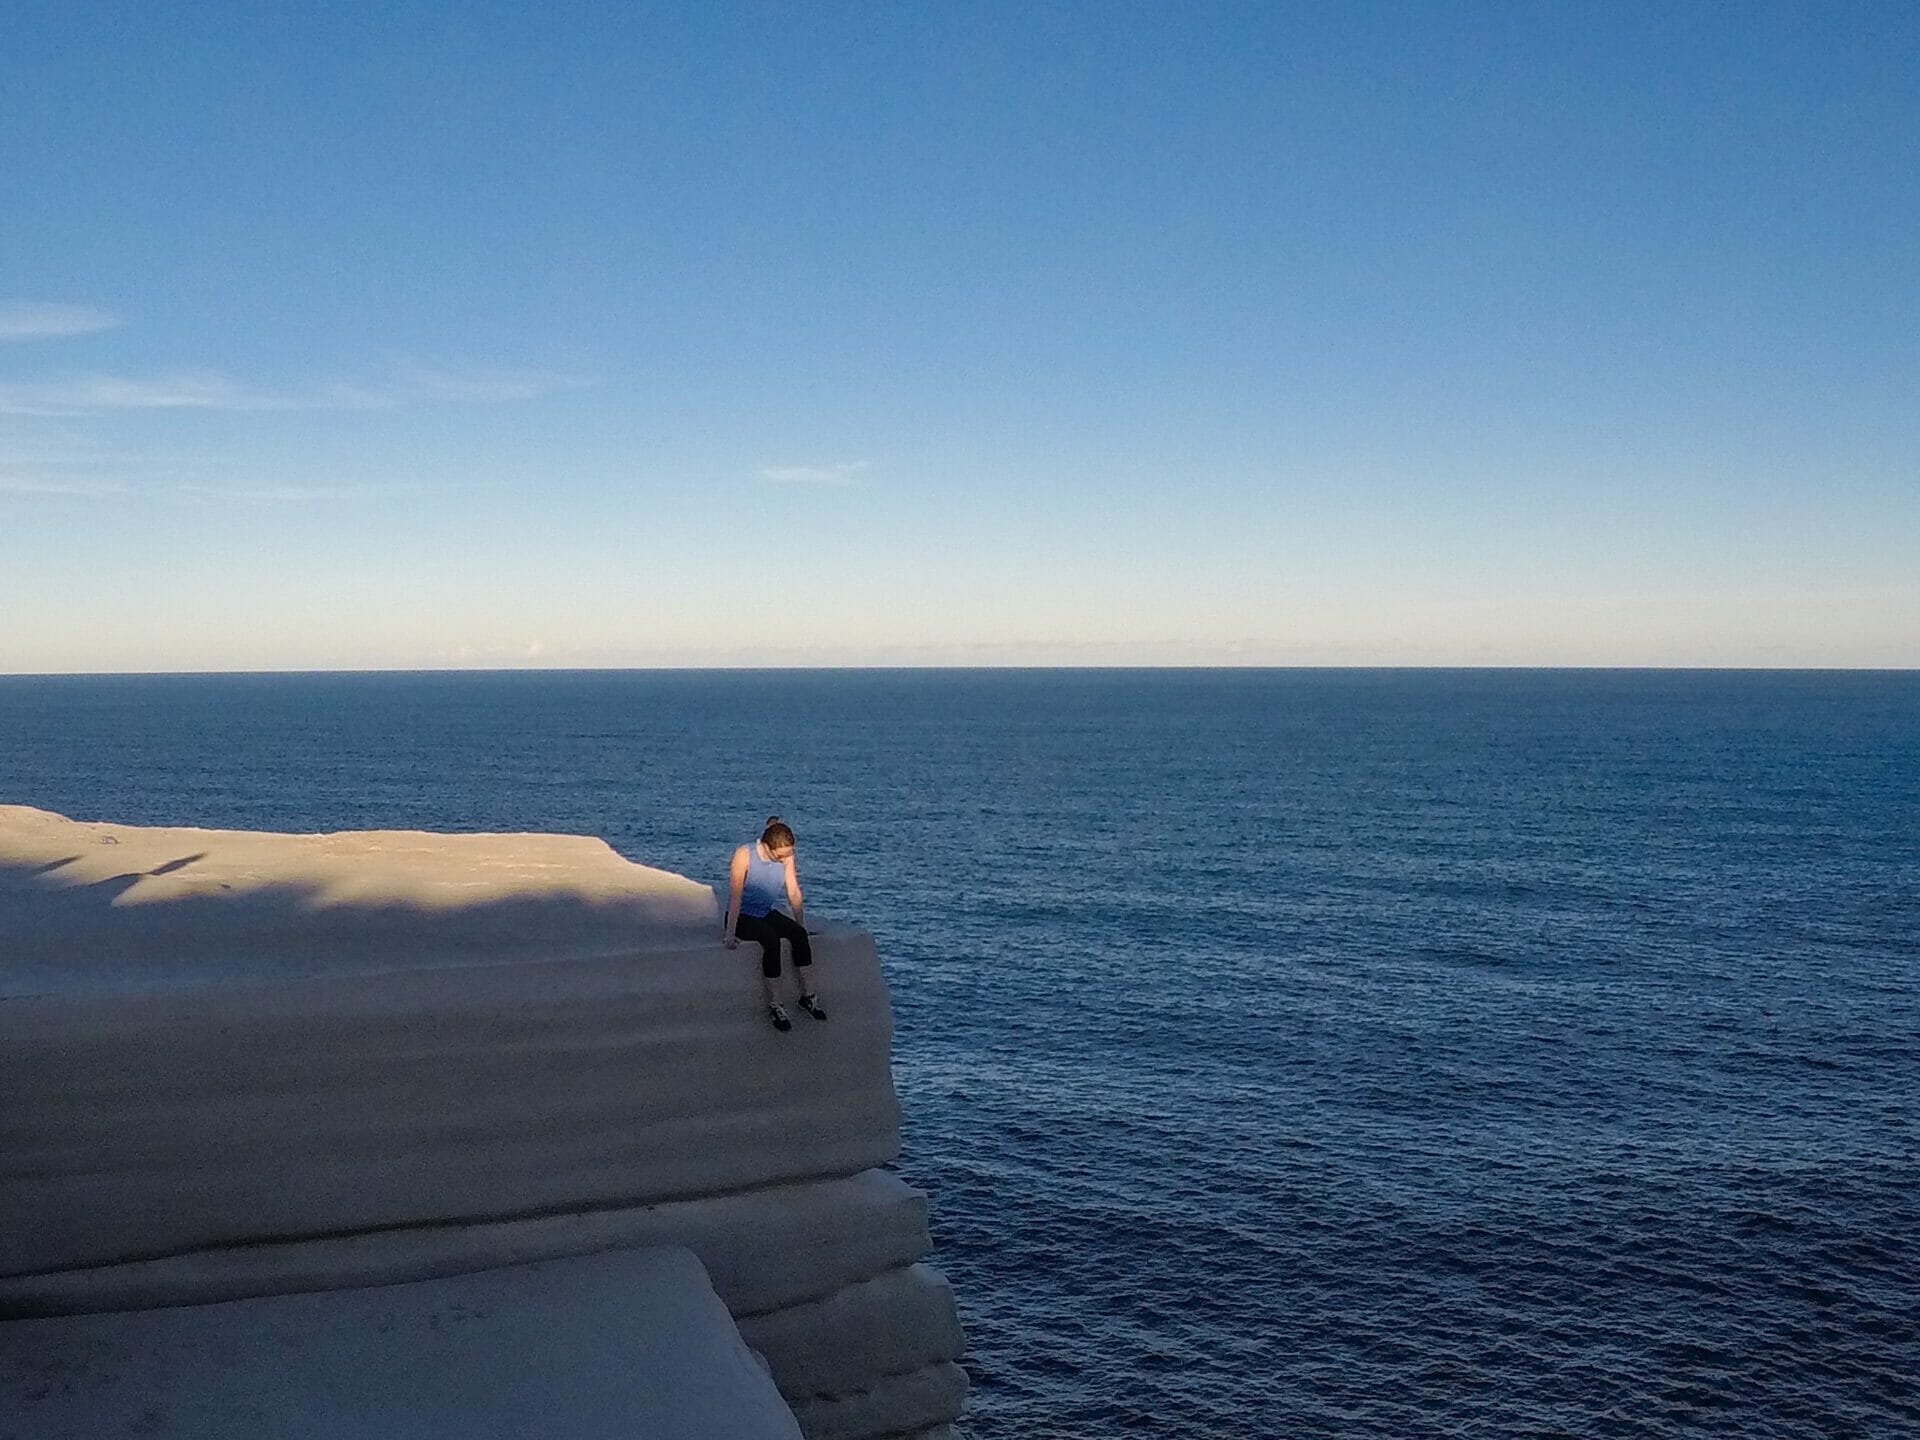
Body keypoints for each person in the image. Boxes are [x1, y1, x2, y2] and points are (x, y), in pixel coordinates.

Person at [723, 816, 827, 1031]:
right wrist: (730, 934)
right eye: (780, 856)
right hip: (743, 916)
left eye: (788, 854)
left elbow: (793, 890)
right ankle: (776, 1004)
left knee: (798, 935)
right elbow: (735, 896)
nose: (785, 859)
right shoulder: (745, 854)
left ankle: (808, 997)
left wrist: (801, 924)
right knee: (771, 939)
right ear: (767, 847)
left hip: (765, 912)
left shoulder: (786, 857)